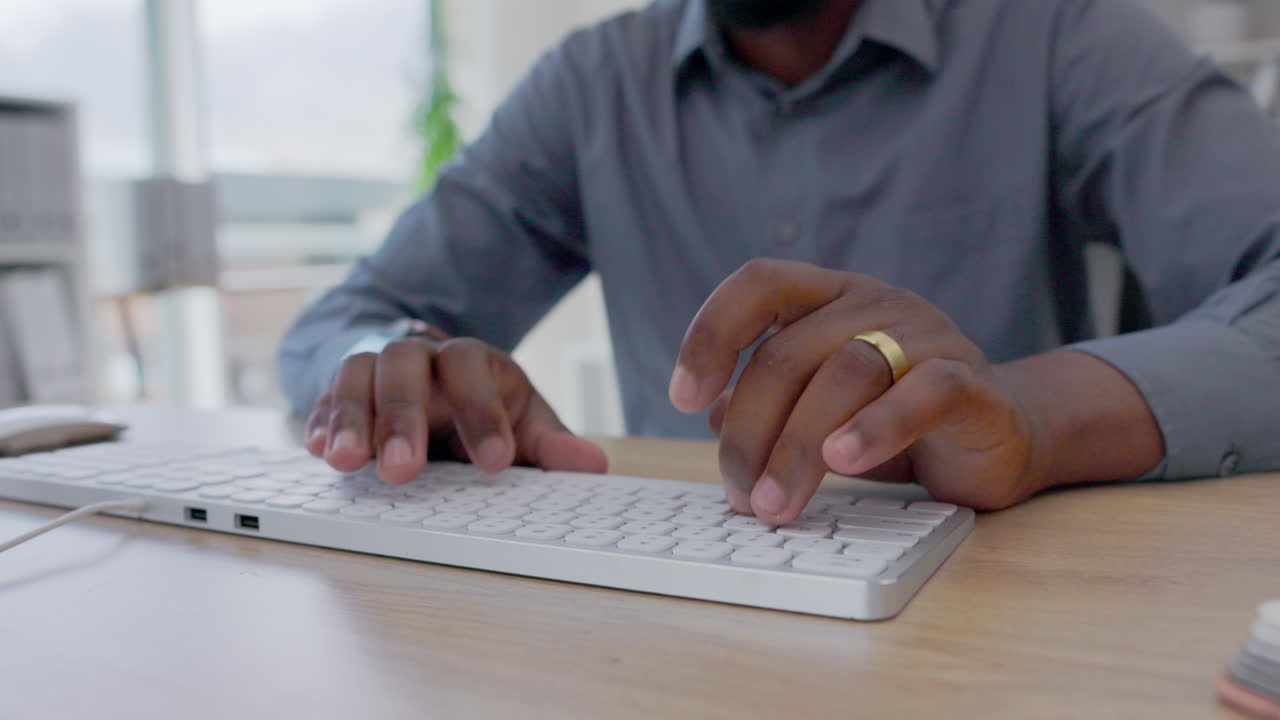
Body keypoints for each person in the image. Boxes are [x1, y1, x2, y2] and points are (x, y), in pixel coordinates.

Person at [280, 0, 1280, 526]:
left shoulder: (1055, 34)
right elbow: (349, 316)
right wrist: (395, 365)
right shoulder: (592, 86)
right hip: (690, 603)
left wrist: (1029, 415)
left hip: (1002, 610)